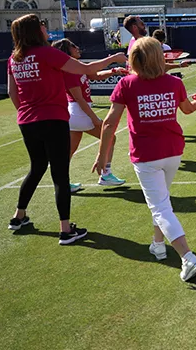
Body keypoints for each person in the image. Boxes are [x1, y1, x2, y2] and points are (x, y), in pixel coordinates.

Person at [7, 14, 127, 244]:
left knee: (36, 168)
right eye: (42, 25)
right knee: (60, 174)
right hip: (53, 118)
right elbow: (85, 68)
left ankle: (18, 216)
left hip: (27, 121)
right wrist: (113, 58)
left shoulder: (14, 59)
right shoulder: (47, 53)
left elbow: (13, 93)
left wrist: (25, 112)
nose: (46, 29)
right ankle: (65, 229)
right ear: (36, 30)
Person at [93, 37, 196, 281]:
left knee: (160, 207)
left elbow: (109, 123)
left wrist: (102, 156)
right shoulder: (174, 82)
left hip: (146, 155)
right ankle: (158, 244)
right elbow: (187, 109)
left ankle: (187, 257)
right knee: (161, 202)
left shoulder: (127, 84)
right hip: (173, 151)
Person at [52, 38, 128, 191]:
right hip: (79, 113)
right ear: (66, 51)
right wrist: (94, 119)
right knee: (110, 138)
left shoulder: (75, 67)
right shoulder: (70, 71)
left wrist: (113, 71)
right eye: (73, 46)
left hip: (76, 114)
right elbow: (79, 99)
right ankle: (106, 174)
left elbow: (96, 75)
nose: (77, 47)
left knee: (69, 151)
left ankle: (62, 184)